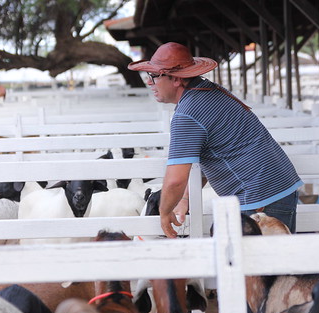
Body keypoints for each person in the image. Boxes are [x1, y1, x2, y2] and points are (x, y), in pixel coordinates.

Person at [127, 42, 303, 237]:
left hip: (257, 197)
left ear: (176, 79)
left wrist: (164, 211)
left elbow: (175, 180)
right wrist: (185, 199)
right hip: (278, 187)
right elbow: (212, 151)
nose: (150, 82)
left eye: (154, 76)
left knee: (251, 263)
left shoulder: (188, 114)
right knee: (276, 260)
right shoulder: (209, 91)